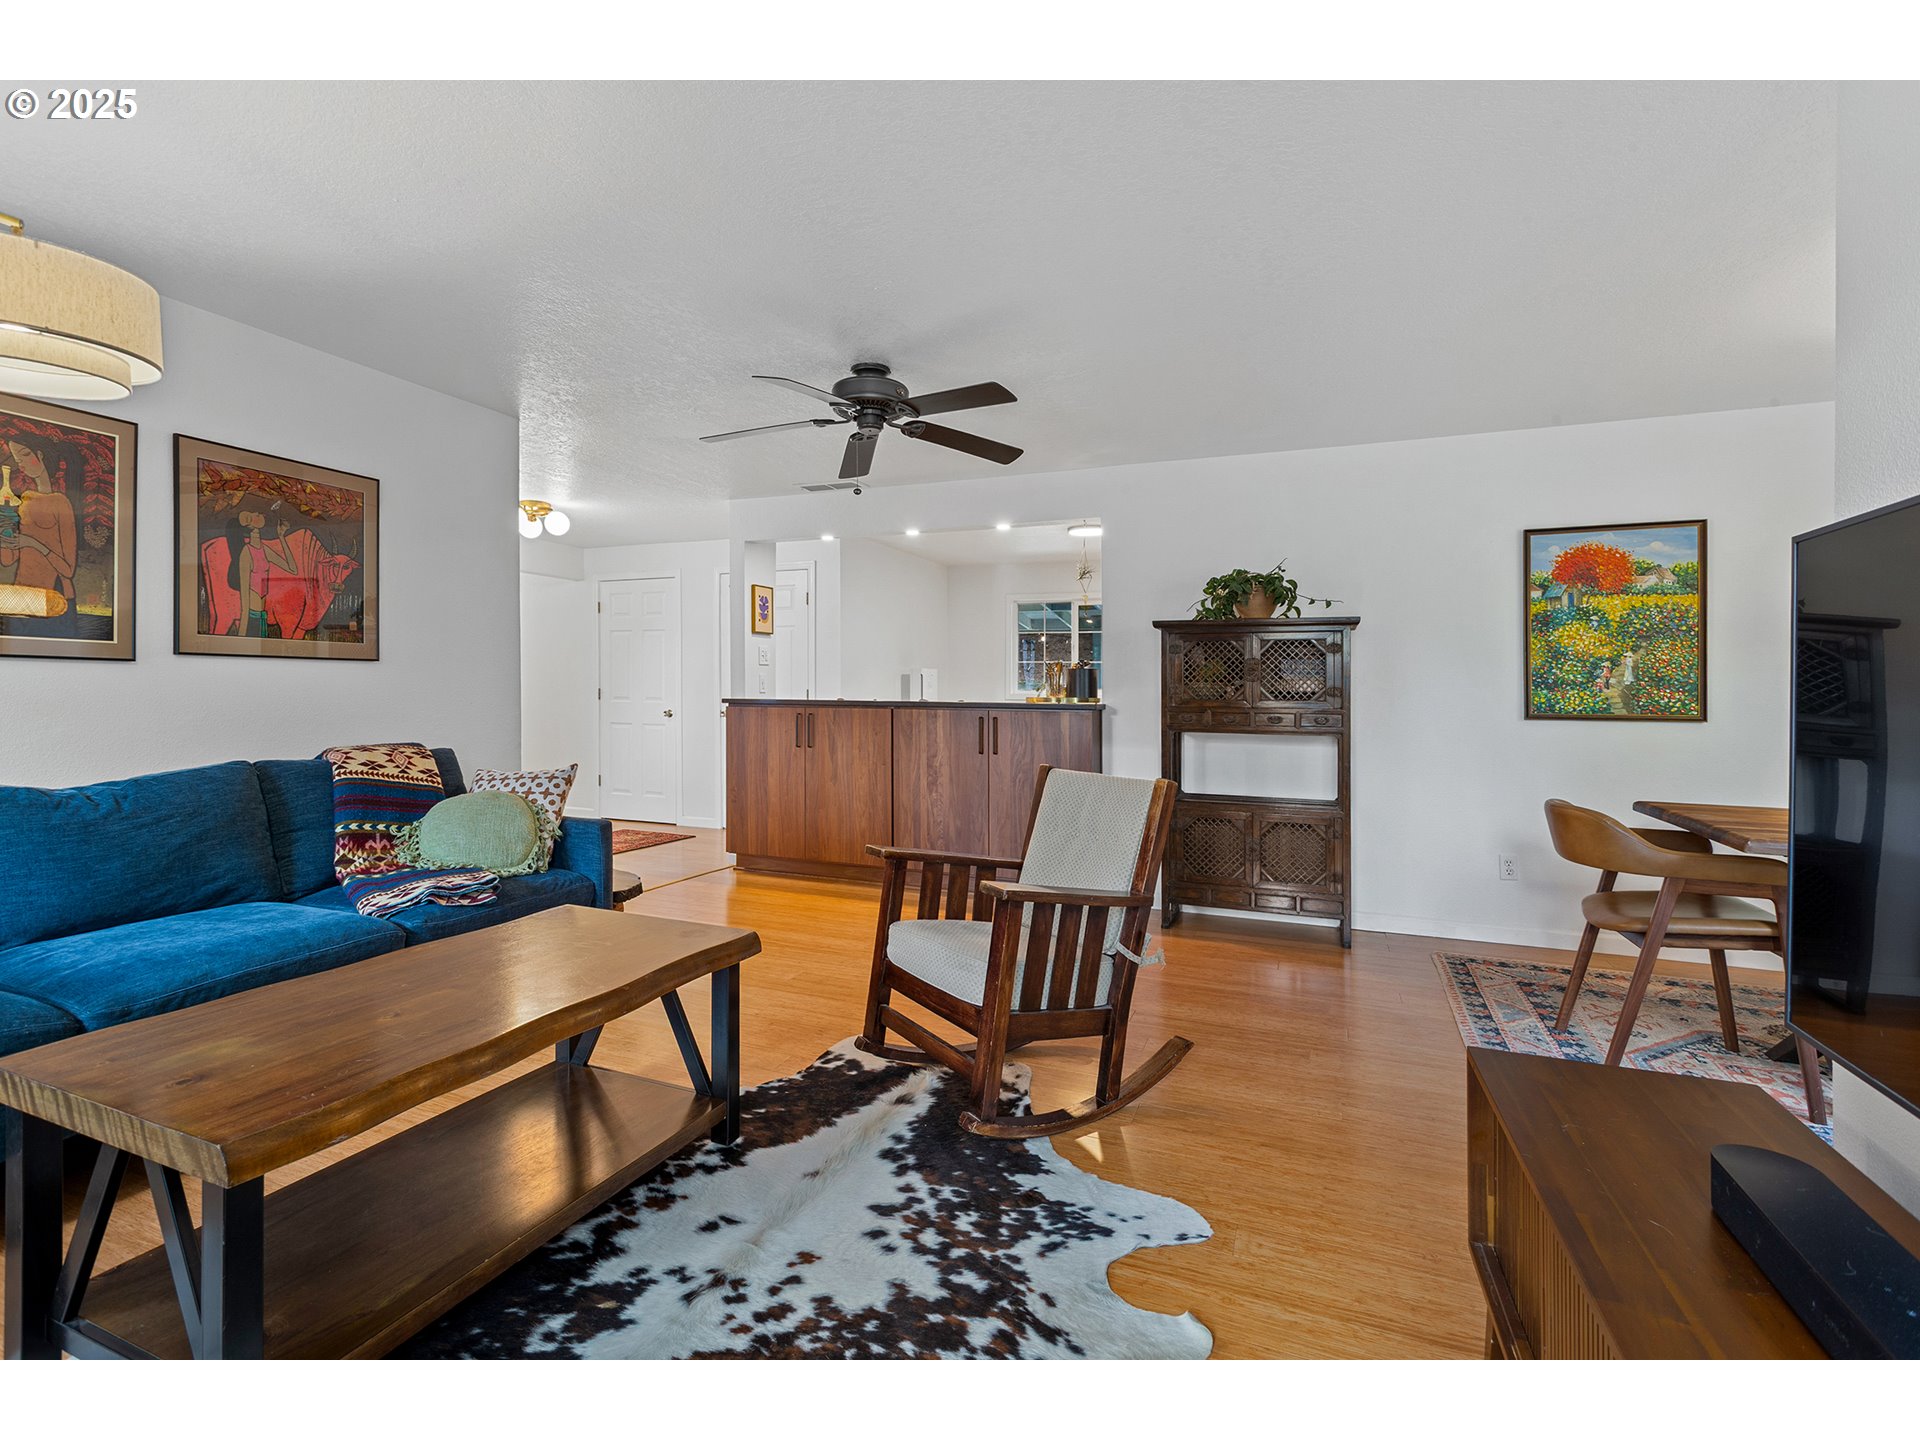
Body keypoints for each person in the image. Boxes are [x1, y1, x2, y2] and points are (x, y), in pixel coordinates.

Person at [1, 435, 80, 636]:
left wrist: (33, 543)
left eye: (25, 455)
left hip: (54, 594)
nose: (22, 465)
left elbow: (68, 569)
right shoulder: (25, 500)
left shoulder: (60, 502)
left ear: (41, 454)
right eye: (18, 460)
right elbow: (8, 559)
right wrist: (5, 534)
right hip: (21, 595)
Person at [224, 496, 298, 637]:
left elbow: (293, 569)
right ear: (247, 527)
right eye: (249, 517)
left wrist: (281, 537)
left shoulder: (265, 550)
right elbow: (245, 606)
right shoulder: (246, 554)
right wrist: (241, 638)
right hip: (251, 619)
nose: (256, 514)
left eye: (255, 513)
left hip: (263, 617)